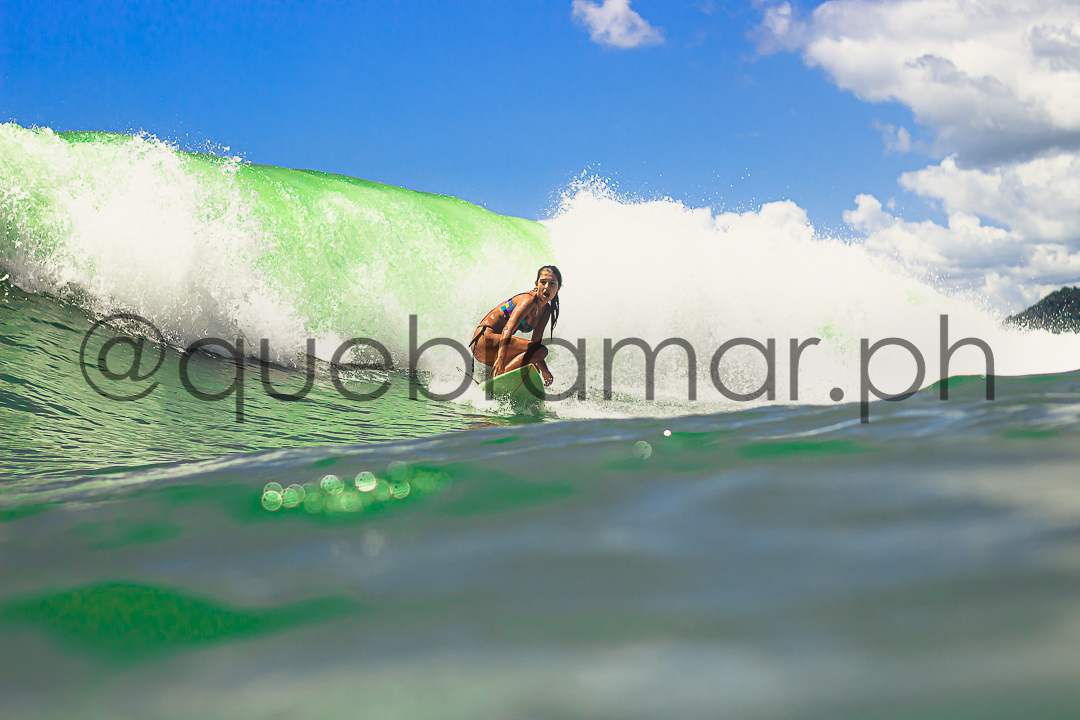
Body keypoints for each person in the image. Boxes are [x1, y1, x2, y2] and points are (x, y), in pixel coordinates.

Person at [470, 266, 562, 386]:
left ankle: (498, 384)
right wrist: (501, 359)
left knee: (533, 365)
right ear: (536, 283)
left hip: (495, 345)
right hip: (483, 340)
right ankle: (497, 381)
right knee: (541, 352)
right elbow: (508, 329)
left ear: (558, 288)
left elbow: (536, 343)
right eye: (543, 282)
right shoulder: (529, 300)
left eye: (552, 283)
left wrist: (545, 371)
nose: (546, 287)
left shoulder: (546, 311)